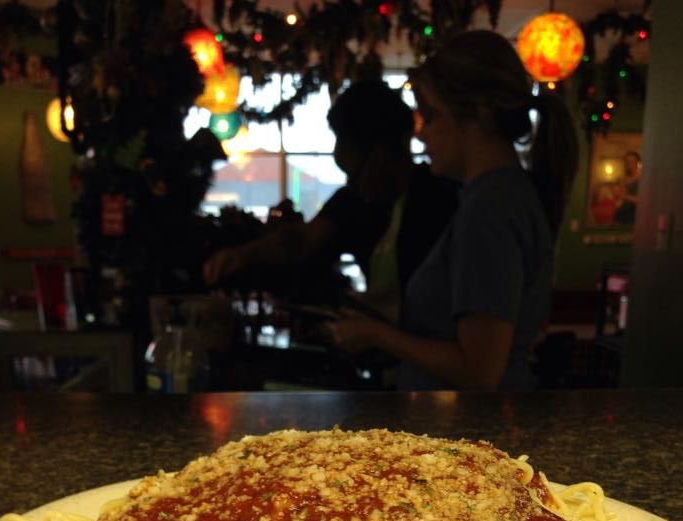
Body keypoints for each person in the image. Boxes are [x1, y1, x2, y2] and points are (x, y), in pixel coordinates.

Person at [326, 30, 580, 390]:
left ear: (476, 114)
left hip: (475, 430)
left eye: (430, 117)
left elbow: (479, 370)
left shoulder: (491, 209)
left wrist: (377, 335)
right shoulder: (495, 197)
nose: (420, 134)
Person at [202, 80, 459, 324]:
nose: (352, 184)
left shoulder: (440, 203)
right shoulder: (354, 202)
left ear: (380, 155)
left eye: (354, 172)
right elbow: (300, 241)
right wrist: (245, 255)